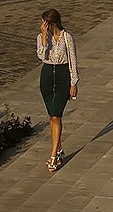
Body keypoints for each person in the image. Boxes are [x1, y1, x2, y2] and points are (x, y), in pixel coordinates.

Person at [36, 9, 79, 173]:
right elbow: (41, 56)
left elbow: (73, 61)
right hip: (47, 76)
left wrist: (73, 83)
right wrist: (44, 39)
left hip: (62, 77)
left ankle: (53, 154)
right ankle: (59, 148)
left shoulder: (67, 37)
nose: (42, 25)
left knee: (56, 115)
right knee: (52, 116)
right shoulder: (41, 37)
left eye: (45, 23)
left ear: (52, 23)